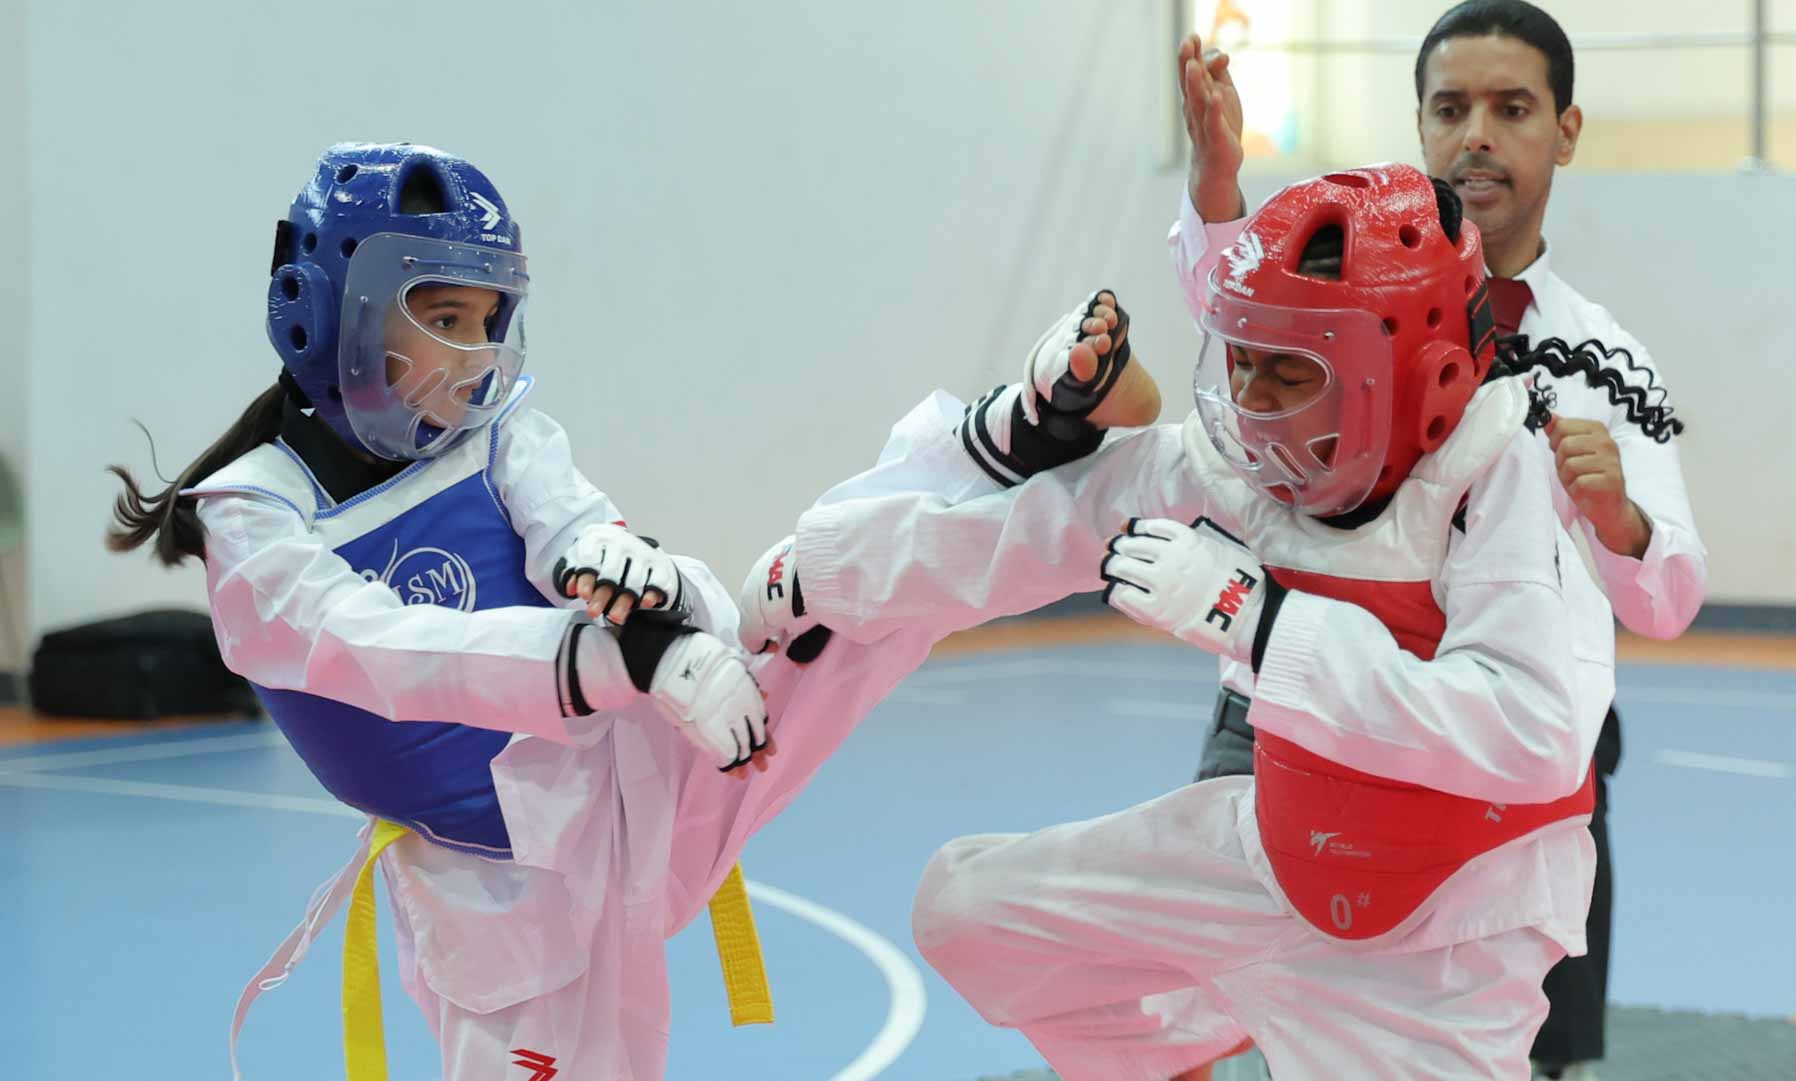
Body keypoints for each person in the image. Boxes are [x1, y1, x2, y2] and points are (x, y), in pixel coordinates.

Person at [741, 164, 1678, 1080]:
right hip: (1274, 859)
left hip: (1439, 940)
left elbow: (1535, 734)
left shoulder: (1502, 476)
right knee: (971, 909)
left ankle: (1249, 1005)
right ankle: (1178, 1045)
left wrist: (1265, 624)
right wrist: (820, 570)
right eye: (1241, 359)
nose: (1252, 401)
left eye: (1290, 372)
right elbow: (1034, 530)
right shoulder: (1237, 465)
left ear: (1407, 376)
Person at [107, 142, 935, 1081]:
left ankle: (992, 459)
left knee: (830, 610)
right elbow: (390, 651)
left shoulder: (493, 433)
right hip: (497, 891)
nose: (477, 354)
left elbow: (572, 522)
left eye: (493, 319)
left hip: (640, 777)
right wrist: (614, 658)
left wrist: (640, 587)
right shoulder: (254, 516)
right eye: (448, 317)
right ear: (333, 313)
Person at [1175, 5, 1708, 1074]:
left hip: (1514, 762)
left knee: (1513, 1046)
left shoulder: (1605, 357)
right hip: (1294, 706)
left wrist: (1618, 519)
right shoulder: (1338, 277)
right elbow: (1235, 322)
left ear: (1565, 130)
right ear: (1419, 124)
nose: (1477, 136)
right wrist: (1220, 189)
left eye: (1513, 109)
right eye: (1450, 108)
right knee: (1220, 1002)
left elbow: (1667, 598)